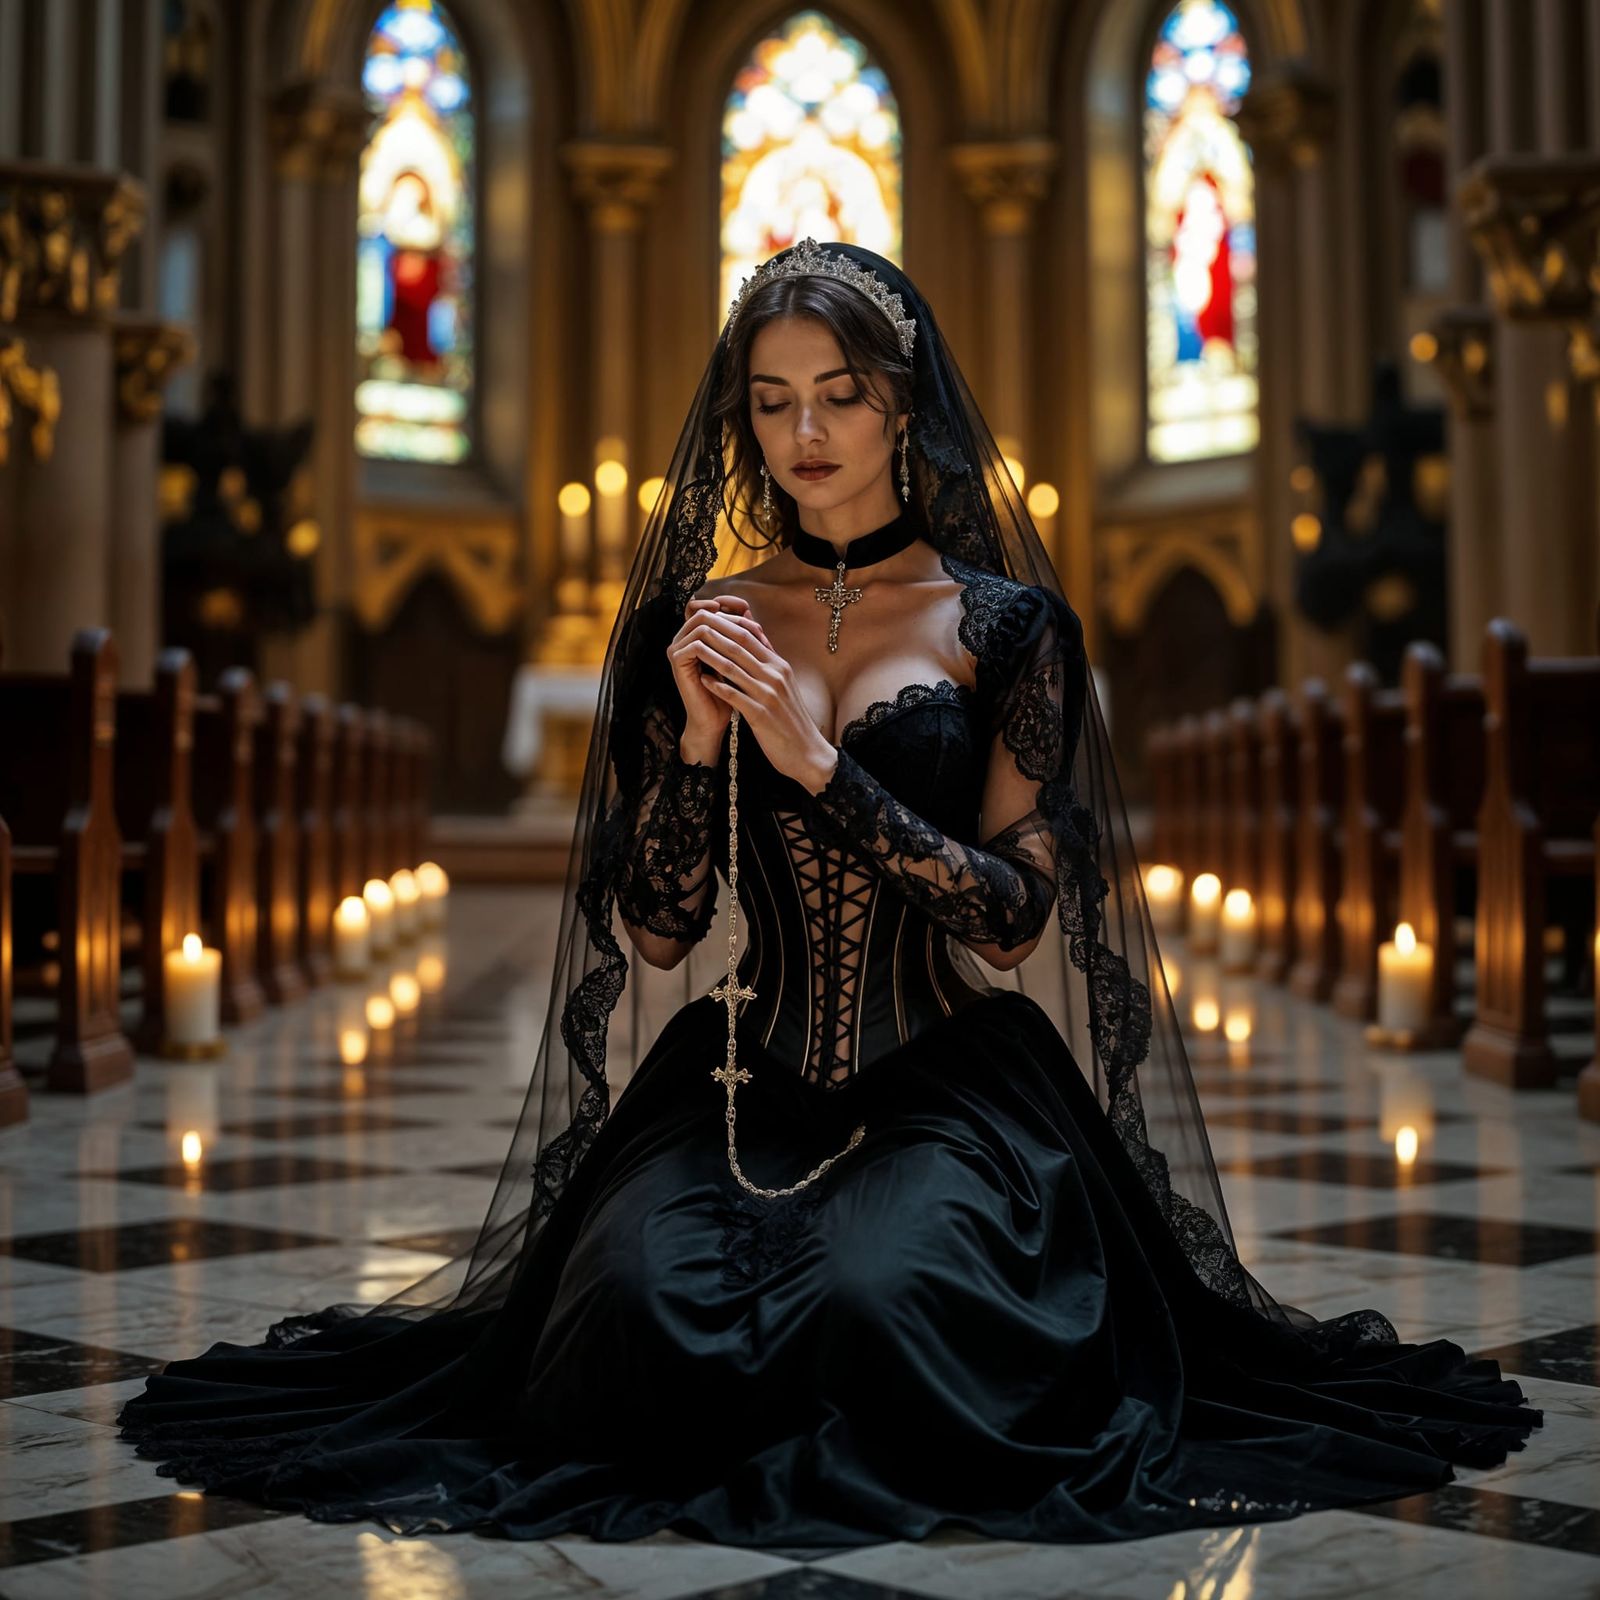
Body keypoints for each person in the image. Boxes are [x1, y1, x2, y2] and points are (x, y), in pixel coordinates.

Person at [117, 239, 1541, 1546]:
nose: (804, 435)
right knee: (634, 1302)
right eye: (772, 400)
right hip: (736, 1080)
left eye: (841, 397)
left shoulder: (1007, 629)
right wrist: (689, 746)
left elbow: (1011, 916)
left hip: (948, 1079)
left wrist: (817, 765)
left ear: (903, 408)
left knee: (883, 1295)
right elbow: (657, 928)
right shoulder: (695, 625)